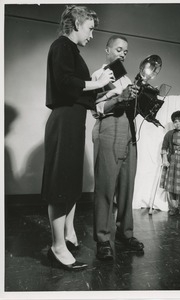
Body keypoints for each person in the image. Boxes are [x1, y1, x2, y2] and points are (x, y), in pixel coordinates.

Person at [41, 5, 114, 271]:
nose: (92, 35)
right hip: (64, 121)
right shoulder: (61, 46)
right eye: (90, 28)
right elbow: (64, 83)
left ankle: (68, 235)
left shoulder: (71, 51)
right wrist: (96, 83)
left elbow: (79, 92)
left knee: (70, 181)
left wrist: (103, 88)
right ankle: (57, 248)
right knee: (61, 183)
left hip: (73, 121)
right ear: (76, 23)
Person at [91, 35, 144, 261]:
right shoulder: (99, 75)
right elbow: (97, 108)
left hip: (128, 131)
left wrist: (146, 104)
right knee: (105, 187)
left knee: (126, 186)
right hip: (109, 129)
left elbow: (131, 107)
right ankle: (103, 239)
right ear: (107, 50)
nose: (123, 54)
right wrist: (119, 98)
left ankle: (125, 234)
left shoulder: (126, 78)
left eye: (125, 52)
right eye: (119, 49)